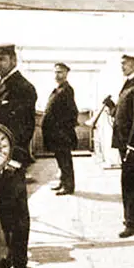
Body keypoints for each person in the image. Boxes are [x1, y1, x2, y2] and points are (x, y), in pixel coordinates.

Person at [0, 43, 37, 268]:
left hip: (13, 162)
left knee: (18, 214)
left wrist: (15, 160)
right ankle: (11, 254)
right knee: (5, 212)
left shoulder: (24, 88)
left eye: (2, 60)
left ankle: (20, 266)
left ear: (13, 60)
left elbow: (26, 128)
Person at [104, 54, 134, 238]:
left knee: (129, 181)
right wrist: (111, 106)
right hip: (124, 140)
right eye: (121, 63)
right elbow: (122, 114)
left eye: (126, 63)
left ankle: (132, 222)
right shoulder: (128, 85)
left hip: (130, 143)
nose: (122, 66)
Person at [41, 62, 79, 195]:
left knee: (65, 159)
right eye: (56, 72)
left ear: (66, 73)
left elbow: (72, 112)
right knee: (60, 159)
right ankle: (63, 182)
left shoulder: (67, 90)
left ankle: (68, 186)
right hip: (55, 132)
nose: (57, 75)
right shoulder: (58, 89)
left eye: (60, 72)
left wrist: (63, 129)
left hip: (61, 132)